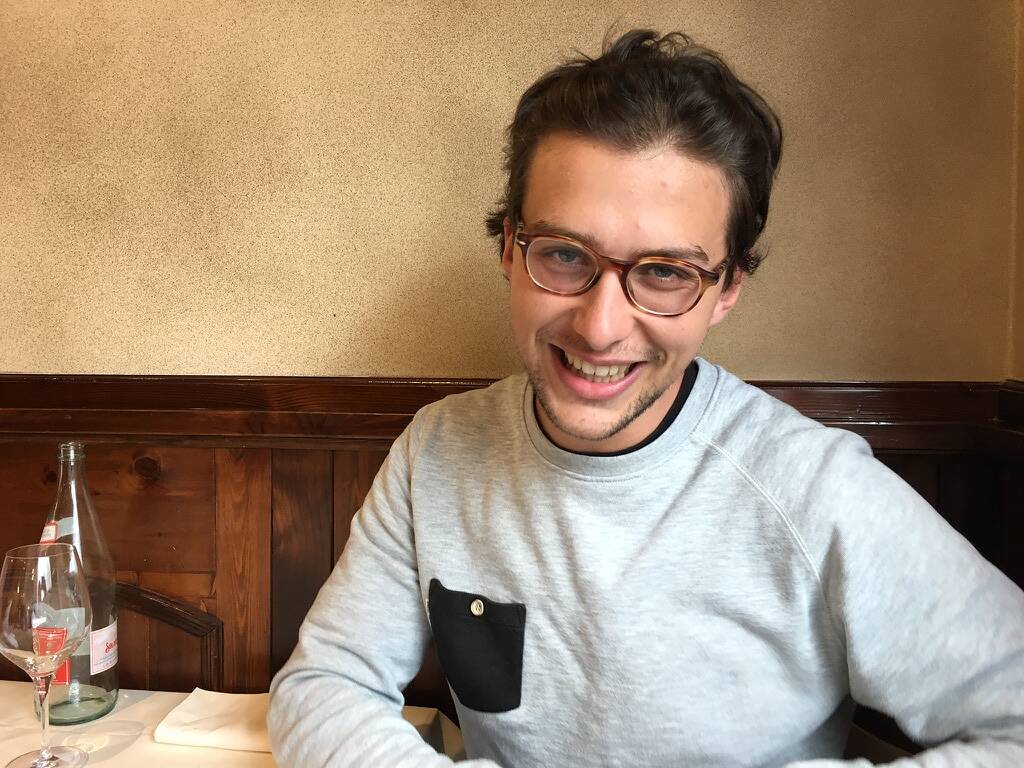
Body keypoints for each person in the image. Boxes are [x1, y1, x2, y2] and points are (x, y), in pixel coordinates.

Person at [268, 30, 1024, 767]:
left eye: (665, 273)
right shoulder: (435, 452)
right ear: (509, 249)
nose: (600, 327)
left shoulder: (818, 491)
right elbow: (324, 685)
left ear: (727, 290)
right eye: (565, 255)